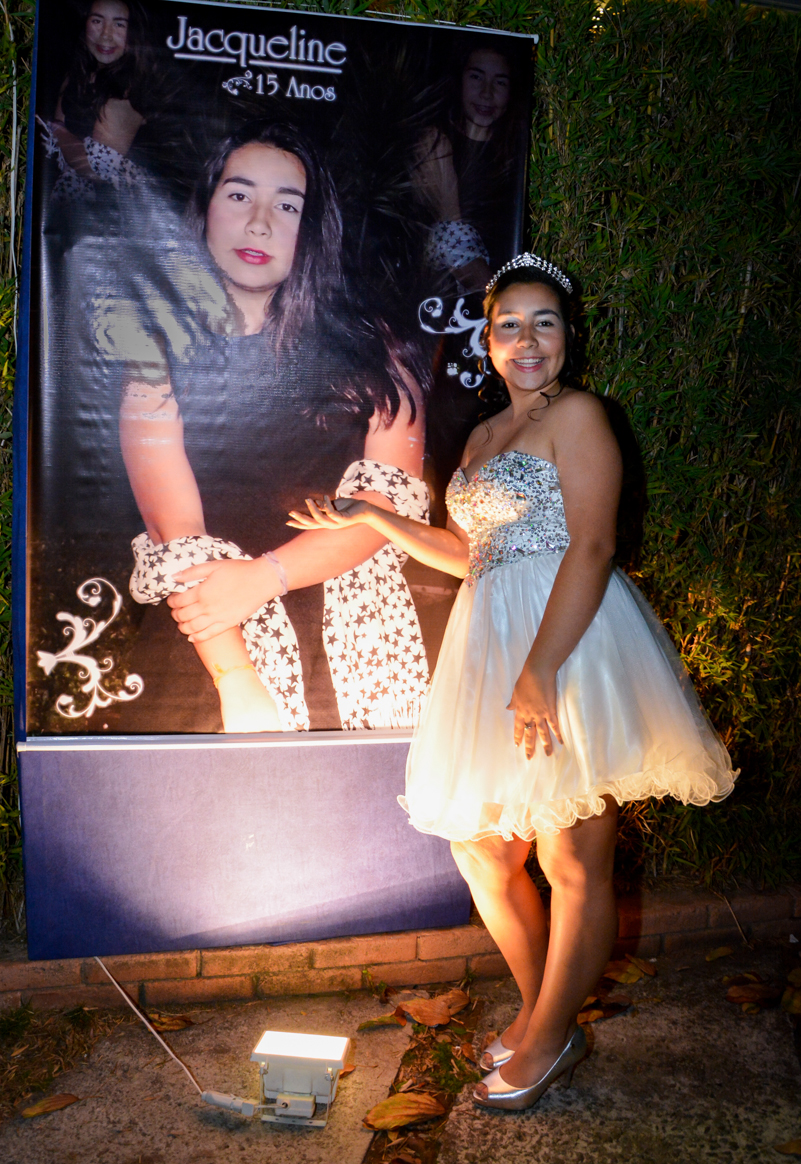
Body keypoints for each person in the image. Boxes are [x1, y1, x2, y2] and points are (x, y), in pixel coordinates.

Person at [289, 253, 737, 1109]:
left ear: (568, 337)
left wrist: (539, 671)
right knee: (486, 852)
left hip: (567, 642)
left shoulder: (580, 416)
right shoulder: (484, 436)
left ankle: (545, 1034)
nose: (526, 340)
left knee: (572, 855)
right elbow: (472, 555)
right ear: (488, 340)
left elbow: (593, 545)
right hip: (487, 639)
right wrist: (380, 518)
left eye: (544, 323)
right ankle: (549, 1018)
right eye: (508, 325)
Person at [112, 120, 429, 733]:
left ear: (313, 231)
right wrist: (238, 682)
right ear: (205, 208)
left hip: (358, 630)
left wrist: (265, 577)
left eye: (287, 205)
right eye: (239, 195)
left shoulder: (380, 348)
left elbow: (386, 504)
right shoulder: (152, 351)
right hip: (209, 636)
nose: (260, 222)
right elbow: (175, 533)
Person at [415, 45, 525, 292]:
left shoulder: (519, 159)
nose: (486, 94)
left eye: (500, 83)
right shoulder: (433, 145)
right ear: (459, 80)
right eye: (476, 77)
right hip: (446, 305)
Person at [39, 1, 152, 202]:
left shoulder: (129, 89)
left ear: (134, 32)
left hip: (112, 210)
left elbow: (96, 171)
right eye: (97, 21)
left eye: (119, 24)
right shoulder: (78, 73)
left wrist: (58, 131)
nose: (106, 34)